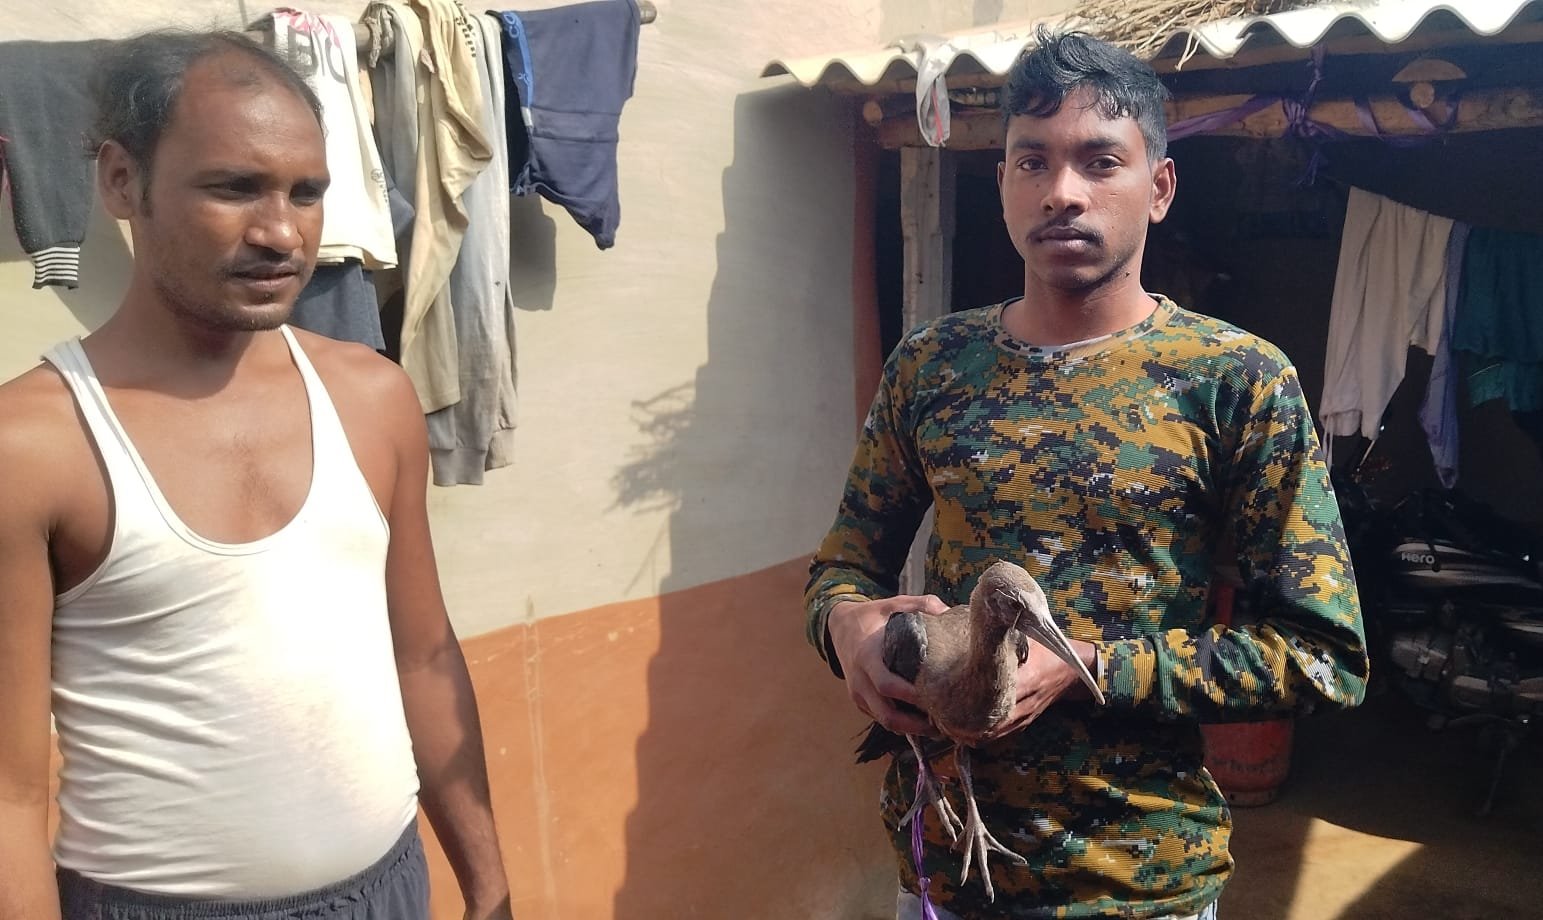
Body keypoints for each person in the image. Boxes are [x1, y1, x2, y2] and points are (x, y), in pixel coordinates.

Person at [805, 29, 1369, 920]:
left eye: (1100, 162)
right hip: (946, 873)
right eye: (1032, 161)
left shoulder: (1236, 380)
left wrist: (1090, 668)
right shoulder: (932, 365)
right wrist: (844, 627)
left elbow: (1322, 657)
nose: (1061, 191)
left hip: (1140, 882)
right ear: (1002, 183)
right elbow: (842, 566)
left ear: (1159, 188)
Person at [0, 32, 512, 920]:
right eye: (234, 187)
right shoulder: (32, 445)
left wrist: (490, 889)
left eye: (306, 192)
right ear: (121, 181)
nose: (282, 232)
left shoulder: (371, 397)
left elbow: (423, 657)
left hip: (389, 891)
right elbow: (10, 790)